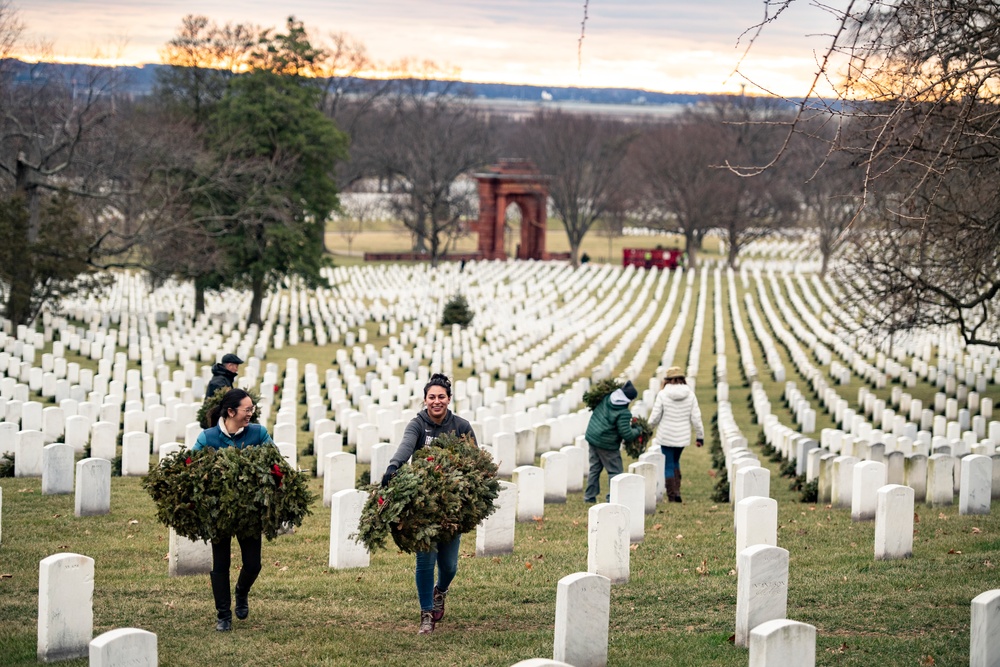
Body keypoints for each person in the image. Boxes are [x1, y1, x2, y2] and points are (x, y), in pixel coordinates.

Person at [381, 373, 477, 635]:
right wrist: (393, 466)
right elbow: (406, 447)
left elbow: (475, 462)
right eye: (432, 397)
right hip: (423, 503)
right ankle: (426, 614)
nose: (437, 401)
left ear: (449, 399)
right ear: (425, 400)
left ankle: (441, 590)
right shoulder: (417, 425)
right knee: (425, 561)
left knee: (449, 565)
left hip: (452, 505)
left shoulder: (462, 426)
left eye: (441, 397)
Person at [192, 388, 275, 632]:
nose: (251, 413)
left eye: (252, 409)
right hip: (219, 512)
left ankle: (241, 591)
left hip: (249, 512)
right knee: (220, 565)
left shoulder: (259, 433)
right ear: (231, 411)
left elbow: (274, 460)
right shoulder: (208, 437)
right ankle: (223, 615)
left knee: (253, 564)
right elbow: (191, 468)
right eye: (247, 409)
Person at [647, 366, 704, 503]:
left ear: (667, 380)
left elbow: (655, 416)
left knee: (668, 464)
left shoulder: (662, 394)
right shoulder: (690, 394)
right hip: (682, 436)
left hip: (666, 435)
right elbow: (696, 417)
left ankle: (672, 496)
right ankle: (677, 491)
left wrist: (648, 429)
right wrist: (699, 436)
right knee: (675, 462)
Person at [584, 380, 642, 504]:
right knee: (615, 471)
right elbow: (627, 434)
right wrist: (638, 430)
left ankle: (589, 497)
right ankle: (613, 498)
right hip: (607, 443)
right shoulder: (623, 413)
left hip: (592, 437)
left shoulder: (607, 398)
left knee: (594, 468)